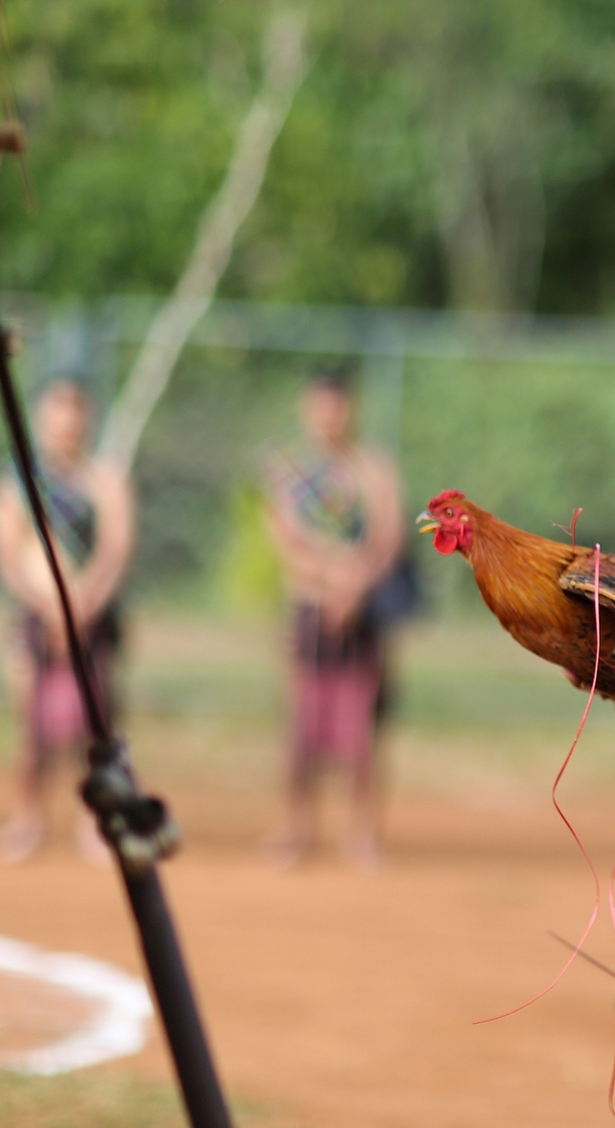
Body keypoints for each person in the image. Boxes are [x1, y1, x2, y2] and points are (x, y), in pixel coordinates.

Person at [262, 370, 404, 870]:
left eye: (338, 406)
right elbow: (285, 538)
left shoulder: (374, 468)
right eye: (320, 406)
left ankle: (362, 833)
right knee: (302, 722)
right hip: (309, 608)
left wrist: (354, 585)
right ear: (307, 410)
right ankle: (295, 827)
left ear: (352, 410)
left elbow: (387, 538)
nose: (329, 417)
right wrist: (325, 582)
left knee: (363, 727)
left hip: (362, 613)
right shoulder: (289, 471)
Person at [0, 376, 134, 863]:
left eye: (74, 420)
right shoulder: (18, 483)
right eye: (57, 420)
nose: (65, 430)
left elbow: (115, 548)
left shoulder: (105, 480)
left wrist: (84, 602)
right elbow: (8, 555)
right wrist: (47, 605)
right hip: (36, 618)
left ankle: (96, 823)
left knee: (96, 723)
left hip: (94, 618)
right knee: (32, 721)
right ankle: (28, 817)